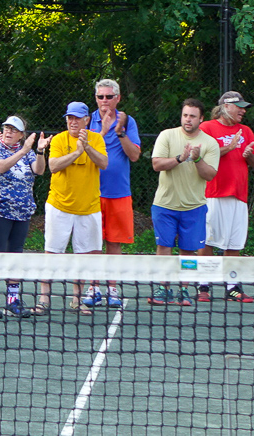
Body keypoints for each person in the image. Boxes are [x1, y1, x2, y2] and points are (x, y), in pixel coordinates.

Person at [35, 102, 108, 316]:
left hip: (88, 208)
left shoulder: (97, 139)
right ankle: (43, 299)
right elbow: (53, 166)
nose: (72, 122)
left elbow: (104, 163)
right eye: (69, 118)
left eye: (77, 118)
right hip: (59, 206)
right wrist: (77, 153)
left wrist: (87, 148)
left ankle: (77, 299)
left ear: (87, 120)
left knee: (83, 255)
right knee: (52, 252)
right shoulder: (58, 139)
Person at [0, 116, 47, 317]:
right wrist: (23, 151)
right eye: (6, 128)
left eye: (14, 130)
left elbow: (39, 170)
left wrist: (39, 151)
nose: (8, 132)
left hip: (22, 212)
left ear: (21, 135)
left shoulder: (29, 153)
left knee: (15, 255)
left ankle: (13, 300)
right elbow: (1, 167)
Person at [148, 98, 219, 305]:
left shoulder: (210, 143)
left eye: (193, 116)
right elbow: (156, 164)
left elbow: (210, 175)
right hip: (164, 205)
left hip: (194, 207)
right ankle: (163, 288)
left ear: (201, 119)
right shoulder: (167, 135)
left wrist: (196, 159)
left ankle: (184, 290)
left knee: (188, 251)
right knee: (164, 247)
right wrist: (180, 158)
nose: (188, 119)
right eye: (185, 115)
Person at [196, 91, 254, 303]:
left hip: (239, 195)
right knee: (207, 240)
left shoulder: (246, 131)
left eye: (244, 107)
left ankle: (232, 286)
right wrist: (228, 147)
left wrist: (249, 155)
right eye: (239, 106)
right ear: (225, 107)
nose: (243, 110)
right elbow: (201, 156)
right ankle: (203, 285)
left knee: (235, 243)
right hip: (213, 193)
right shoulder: (207, 128)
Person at [87, 79, 141, 307]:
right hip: (90, 193)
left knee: (114, 243)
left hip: (119, 193)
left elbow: (135, 155)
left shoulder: (128, 122)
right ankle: (93, 288)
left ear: (118, 98)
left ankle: (112, 289)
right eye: (101, 97)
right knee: (92, 243)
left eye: (109, 96)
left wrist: (119, 132)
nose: (104, 101)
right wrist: (104, 130)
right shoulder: (87, 119)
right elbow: (85, 149)